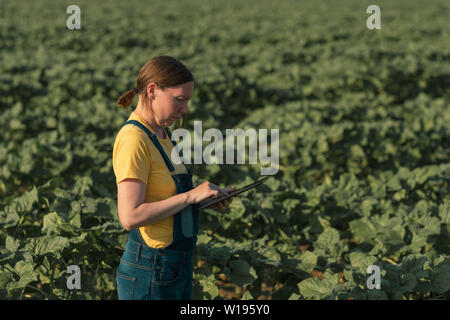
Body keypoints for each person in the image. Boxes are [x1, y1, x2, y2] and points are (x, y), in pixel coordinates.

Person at [113, 55, 236, 300]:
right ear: (152, 91)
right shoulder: (133, 139)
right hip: (150, 269)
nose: (185, 109)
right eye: (179, 100)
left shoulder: (162, 134)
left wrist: (205, 200)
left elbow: (167, 198)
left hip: (175, 266)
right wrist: (190, 196)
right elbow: (130, 216)